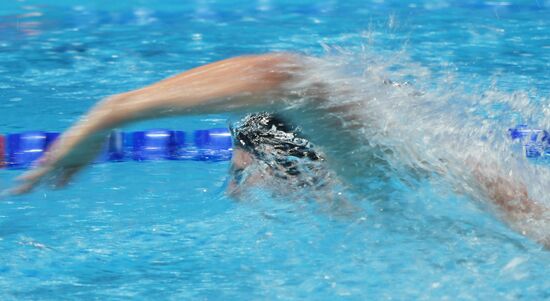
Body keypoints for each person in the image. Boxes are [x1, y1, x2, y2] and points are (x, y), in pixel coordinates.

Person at [10, 53, 549, 247]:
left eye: (242, 174)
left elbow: (285, 76)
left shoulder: (371, 177)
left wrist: (113, 111)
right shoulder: (417, 176)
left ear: (289, 164)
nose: (234, 193)